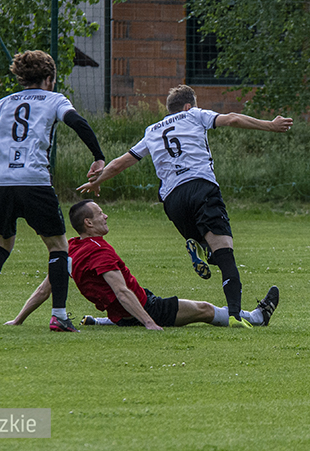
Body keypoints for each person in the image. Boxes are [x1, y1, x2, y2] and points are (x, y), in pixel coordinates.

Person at [77, 85, 291, 329]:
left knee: (211, 247)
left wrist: (97, 180)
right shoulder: (194, 115)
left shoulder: (152, 130)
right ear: (188, 106)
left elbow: (120, 163)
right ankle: (234, 315)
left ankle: (200, 245)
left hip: (172, 200)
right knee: (225, 255)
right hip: (201, 188)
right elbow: (232, 118)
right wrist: (270, 125)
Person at [0, 50, 106, 332]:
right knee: (58, 247)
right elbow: (78, 122)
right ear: (49, 78)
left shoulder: (4, 103)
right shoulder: (55, 100)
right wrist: (98, 156)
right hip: (34, 180)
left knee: (2, 244)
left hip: (3, 182)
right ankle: (59, 315)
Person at [4, 200, 279, 329]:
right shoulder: (100, 253)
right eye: (100, 213)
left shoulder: (70, 250)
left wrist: (18, 320)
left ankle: (105, 321)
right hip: (147, 307)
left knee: (125, 309)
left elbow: (45, 289)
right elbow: (122, 292)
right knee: (204, 310)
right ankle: (257, 317)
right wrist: (149, 322)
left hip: (121, 314)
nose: (105, 216)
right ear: (88, 222)